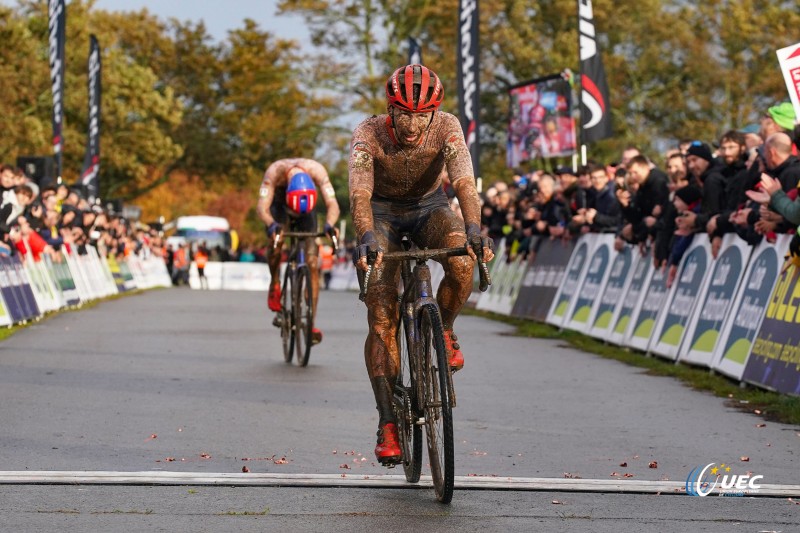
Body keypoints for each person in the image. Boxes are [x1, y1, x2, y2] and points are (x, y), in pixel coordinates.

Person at [348, 64, 494, 465]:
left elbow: (464, 181)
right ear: (390, 109)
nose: (413, 124)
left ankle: (443, 329)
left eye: (421, 114)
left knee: (462, 258)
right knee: (381, 313)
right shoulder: (368, 133)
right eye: (405, 113)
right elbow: (360, 192)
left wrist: (475, 227)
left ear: (434, 112)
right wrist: (365, 236)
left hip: (430, 208)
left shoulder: (447, 126)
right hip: (380, 214)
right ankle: (388, 422)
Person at [256, 158, 340, 344]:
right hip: (279, 208)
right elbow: (262, 207)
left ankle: (310, 324)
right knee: (276, 242)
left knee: (312, 263)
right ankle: (275, 281)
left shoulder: (317, 170)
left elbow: (332, 204)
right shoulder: (274, 173)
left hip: (306, 211)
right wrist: (271, 225)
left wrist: (329, 224)